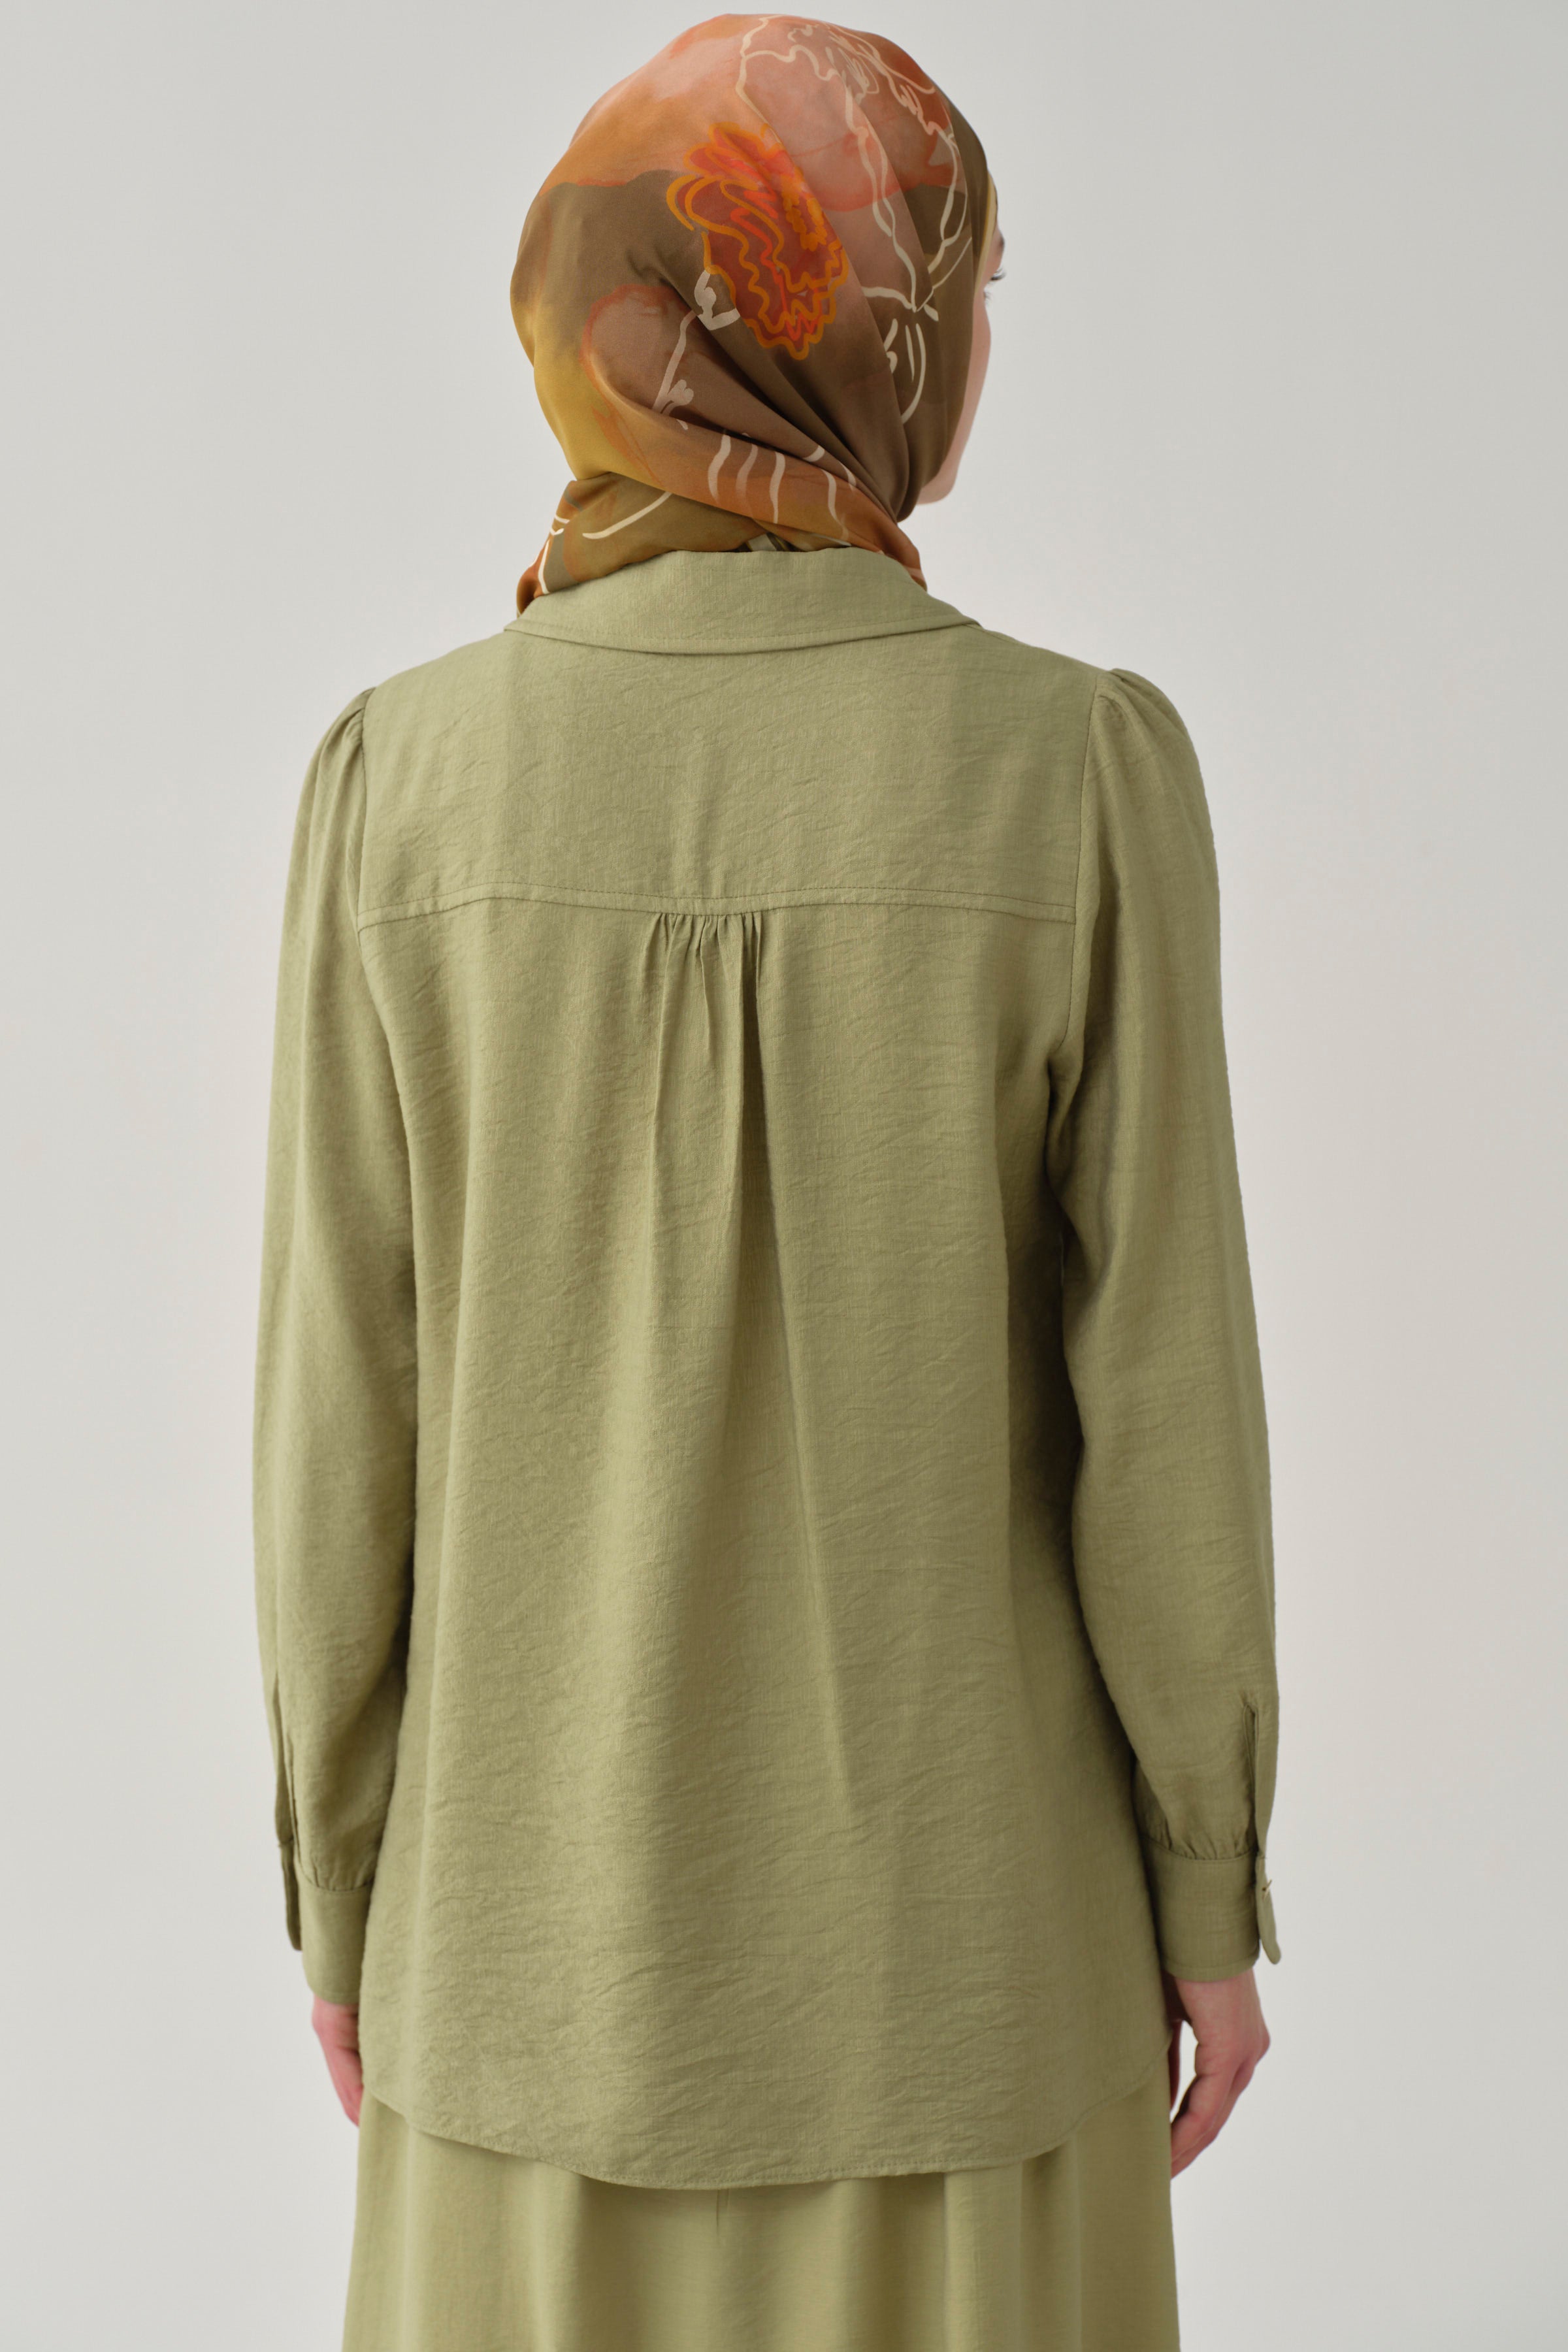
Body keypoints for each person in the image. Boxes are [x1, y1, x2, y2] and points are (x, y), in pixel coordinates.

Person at [252, 16, 1281, 2349]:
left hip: (516, 1983)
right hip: (980, 1998)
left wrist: (344, 1887)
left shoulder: (396, 787)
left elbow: (339, 1420)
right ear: (859, 324)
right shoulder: (1073, 773)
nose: (985, 333)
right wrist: (1208, 1885)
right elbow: (1167, 1405)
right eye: (973, 277)